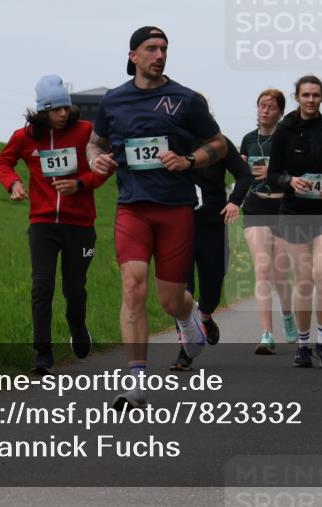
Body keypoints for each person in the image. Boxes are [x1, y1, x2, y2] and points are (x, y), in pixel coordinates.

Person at [87, 26, 226, 408]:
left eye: (164, 48)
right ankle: (136, 383)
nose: (159, 54)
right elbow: (95, 142)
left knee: (170, 299)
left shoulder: (185, 99)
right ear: (133, 56)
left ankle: (188, 319)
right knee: (133, 286)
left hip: (176, 208)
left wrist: (189, 160)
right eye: (151, 48)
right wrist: (93, 159)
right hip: (132, 206)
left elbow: (217, 143)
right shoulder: (114, 101)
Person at [0, 75, 111, 374]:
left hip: (80, 224)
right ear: (42, 111)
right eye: (54, 109)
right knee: (41, 286)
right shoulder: (25, 137)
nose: (61, 114)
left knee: (74, 288)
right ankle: (42, 354)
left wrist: (81, 184)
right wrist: (14, 184)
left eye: (64, 108)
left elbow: (105, 165)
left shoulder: (86, 132)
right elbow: (3, 162)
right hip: (43, 224)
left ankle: (78, 325)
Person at [169, 98, 252, 370]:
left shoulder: (219, 144)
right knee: (182, 287)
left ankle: (205, 316)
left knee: (213, 280)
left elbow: (244, 174)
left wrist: (234, 201)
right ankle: (185, 349)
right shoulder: (171, 143)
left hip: (212, 223)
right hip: (179, 224)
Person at [266, 76, 322, 369]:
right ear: (297, 97)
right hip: (295, 211)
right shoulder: (285, 129)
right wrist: (289, 180)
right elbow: (272, 175)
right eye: (306, 95)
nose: (311, 100)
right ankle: (303, 343)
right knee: (305, 279)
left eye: (316, 95)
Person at [239, 89, 296, 355]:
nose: (265, 111)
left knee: (281, 272)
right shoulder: (248, 140)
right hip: (256, 205)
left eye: (271, 107)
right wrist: (242, 170)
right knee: (263, 268)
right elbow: (240, 172)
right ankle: (266, 333)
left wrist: (272, 169)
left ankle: (287, 314)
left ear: (280, 112)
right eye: (262, 106)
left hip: (283, 206)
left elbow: (295, 170)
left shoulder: (286, 138)